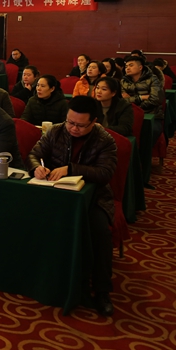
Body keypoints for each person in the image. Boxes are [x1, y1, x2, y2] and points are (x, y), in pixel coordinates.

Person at [27, 96, 117, 317]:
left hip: (94, 199)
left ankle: (102, 290)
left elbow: (105, 173)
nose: (73, 128)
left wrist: (71, 168)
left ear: (94, 121)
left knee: (100, 232)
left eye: (80, 125)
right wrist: (36, 168)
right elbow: (34, 154)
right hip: (55, 195)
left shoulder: (105, 140)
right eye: (70, 122)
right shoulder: (56, 131)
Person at [121, 55, 164, 144]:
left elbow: (156, 99)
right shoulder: (123, 81)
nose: (127, 68)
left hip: (151, 114)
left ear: (140, 67)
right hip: (129, 114)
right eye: (126, 66)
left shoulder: (153, 79)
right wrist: (142, 97)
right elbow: (122, 101)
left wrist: (134, 104)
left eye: (131, 65)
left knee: (151, 132)